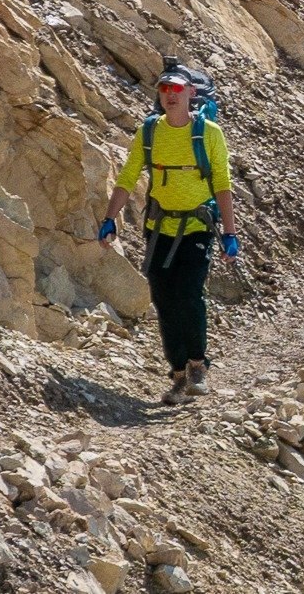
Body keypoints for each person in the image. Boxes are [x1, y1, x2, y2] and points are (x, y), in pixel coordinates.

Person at [106, 64, 238, 403]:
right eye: (164, 89)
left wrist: (229, 232)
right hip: (159, 228)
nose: (170, 95)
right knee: (164, 300)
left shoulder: (209, 133)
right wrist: (109, 217)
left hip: (196, 227)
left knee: (189, 294)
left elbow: (222, 185)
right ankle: (178, 372)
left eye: (177, 89)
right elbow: (128, 176)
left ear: (191, 93)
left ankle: (197, 364)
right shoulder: (149, 132)